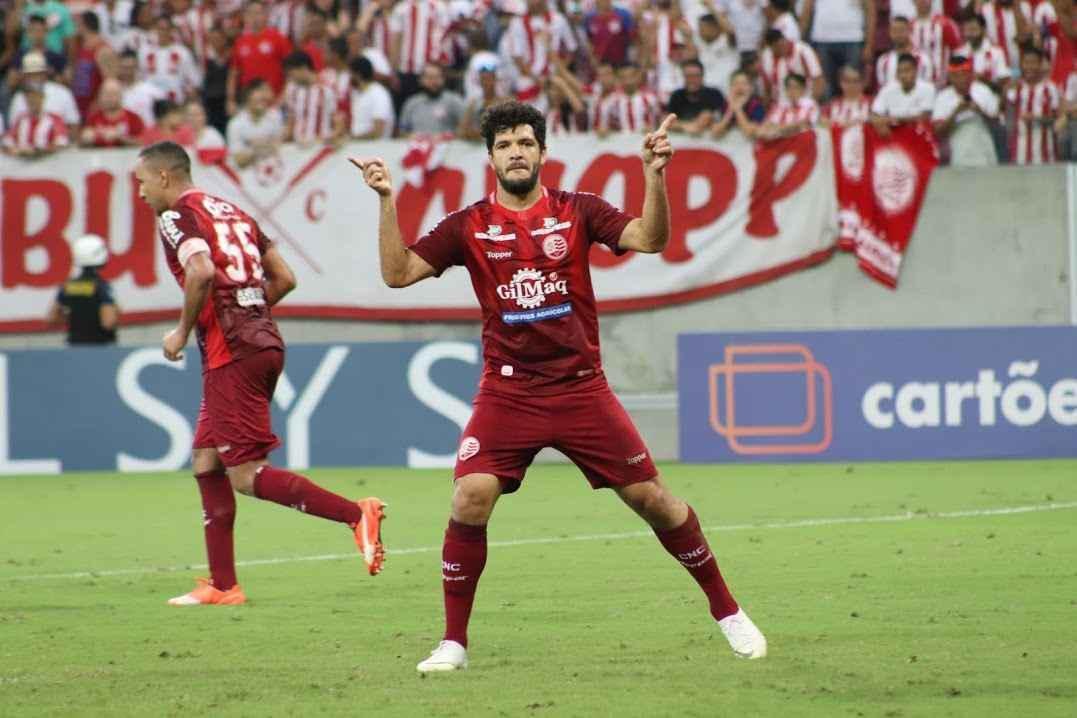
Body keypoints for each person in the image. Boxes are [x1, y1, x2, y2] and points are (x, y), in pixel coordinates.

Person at [352, 101, 768, 673]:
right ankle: (453, 642)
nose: (516, 152)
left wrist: (654, 175)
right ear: (491, 158)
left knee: (653, 500)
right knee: (470, 497)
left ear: (543, 152)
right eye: (504, 145)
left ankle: (728, 611)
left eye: (525, 142)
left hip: (580, 389)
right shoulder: (468, 225)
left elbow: (650, 238)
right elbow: (397, 273)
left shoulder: (578, 210)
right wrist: (385, 200)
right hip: (508, 393)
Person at [132, 141, 387, 606]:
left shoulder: (176, 216)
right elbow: (285, 278)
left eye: (142, 181)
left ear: (164, 177)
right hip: (261, 341)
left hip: (232, 351)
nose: (141, 192)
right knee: (207, 460)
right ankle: (223, 585)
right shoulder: (233, 212)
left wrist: (182, 332)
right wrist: (248, 311)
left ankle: (356, 513)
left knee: (247, 475)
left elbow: (201, 271)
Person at [47, 234, 120, 345]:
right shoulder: (102, 287)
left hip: (74, 346)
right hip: (100, 347)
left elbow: (52, 318)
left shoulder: (68, 286)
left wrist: (75, 317)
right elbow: (108, 322)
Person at [932, 55, 1000, 166]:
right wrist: (956, 112)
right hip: (958, 154)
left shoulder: (983, 91)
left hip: (985, 152)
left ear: (971, 74)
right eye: (956, 76)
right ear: (950, 77)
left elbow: (997, 124)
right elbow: (938, 132)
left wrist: (979, 111)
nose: (961, 79)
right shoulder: (943, 97)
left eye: (964, 74)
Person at [228, 0, 293, 115]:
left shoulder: (278, 38)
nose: (254, 17)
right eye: (250, 13)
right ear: (245, 17)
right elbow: (234, 73)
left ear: (266, 15)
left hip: (274, 103)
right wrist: (230, 100)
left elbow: (291, 72)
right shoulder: (240, 42)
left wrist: (282, 97)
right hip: (249, 104)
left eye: (258, 13)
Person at [798, 0, 875, 95]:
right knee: (826, 87)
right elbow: (807, 8)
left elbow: (870, 10)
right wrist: (800, 40)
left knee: (851, 82)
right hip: (822, 40)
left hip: (853, 38)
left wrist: (869, 44)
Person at [1005, 46, 1063, 165]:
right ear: (1021, 65)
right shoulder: (1015, 89)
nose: (1029, 67)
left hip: (1046, 154)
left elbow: (1057, 119)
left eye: (1033, 63)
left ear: (1041, 65)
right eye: (1026, 63)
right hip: (1019, 154)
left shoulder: (1050, 88)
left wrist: (1037, 118)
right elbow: (1009, 120)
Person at [282, 50, 343, 146]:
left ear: (303, 68)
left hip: (319, 146)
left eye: (292, 74)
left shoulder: (327, 89)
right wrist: (282, 139)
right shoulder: (292, 90)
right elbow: (291, 121)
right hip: (298, 147)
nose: (291, 78)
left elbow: (338, 122)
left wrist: (330, 137)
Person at [871, 52, 936, 134]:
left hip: (920, 134)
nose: (903, 75)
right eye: (900, 71)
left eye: (907, 70)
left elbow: (924, 117)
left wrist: (895, 119)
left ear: (916, 71)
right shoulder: (887, 90)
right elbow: (875, 114)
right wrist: (879, 124)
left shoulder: (928, 88)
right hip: (894, 135)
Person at [227, 79, 284, 168]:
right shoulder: (235, 124)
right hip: (246, 173)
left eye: (264, 100)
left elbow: (280, 146)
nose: (263, 101)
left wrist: (257, 145)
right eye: (259, 99)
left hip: (274, 169)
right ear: (247, 97)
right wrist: (260, 149)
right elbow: (238, 160)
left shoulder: (275, 116)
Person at [3, 80, 70, 156]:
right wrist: (14, 149)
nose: (31, 99)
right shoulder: (21, 119)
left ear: (42, 97)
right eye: (28, 96)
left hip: (47, 160)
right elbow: (7, 140)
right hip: (21, 160)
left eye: (35, 96)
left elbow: (61, 142)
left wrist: (37, 151)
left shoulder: (54, 119)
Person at [397, 63, 466, 137]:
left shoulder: (454, 101)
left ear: (443, 79)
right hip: (417, 143)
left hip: (447, 143)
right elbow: (401, 132)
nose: (433, 81)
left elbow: (466, 128)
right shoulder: (411, 103)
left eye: (437, 77)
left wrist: (449, 136)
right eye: (429, 78)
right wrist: (414, 137)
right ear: (421, 81)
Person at [596, 62, 662, 136]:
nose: (628, 81)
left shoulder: (651, 99)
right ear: (619, 79)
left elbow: (659, 123)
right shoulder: (610, 102)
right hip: (620, 142)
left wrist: (652, 129)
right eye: (624, 77)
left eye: (631, 76)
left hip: (646, 140)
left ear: (638, 76)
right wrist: (605, 131)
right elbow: (603, 128)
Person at [759, 28, 825, 102]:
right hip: (780, 103)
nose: (781, 48)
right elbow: (767, 87)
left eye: (782, 44)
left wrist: (811, 103)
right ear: (771, 47)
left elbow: (818, 80)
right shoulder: (766, 56)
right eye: (777, 47)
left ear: (784, 40)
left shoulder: (802, 51)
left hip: (804, 100)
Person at [667, 58, 726, 135]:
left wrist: (709, 119)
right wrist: (687, 126)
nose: (692, 80)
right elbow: (666, 121)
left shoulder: (714, 94)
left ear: (702, 76)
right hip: (682, 140)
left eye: (696, 76)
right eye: (688, 76)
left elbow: (722, 120)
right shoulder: (676, 95)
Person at [81, 77, 144, 146]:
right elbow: (80, 143)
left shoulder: (134, 118)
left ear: (121, 96)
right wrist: (86, 139)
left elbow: (142, 143)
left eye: (113, 94)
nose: (109, 97)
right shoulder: (93, 118)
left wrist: (120, 138)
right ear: (99, 96)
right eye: (106, 94)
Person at [875, 16, 935, 89]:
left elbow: (928, 86)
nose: (898, 34)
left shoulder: (923, 59)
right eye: (894, 30)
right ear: (890, 33)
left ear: (909, 31)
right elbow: (882, 89)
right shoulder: (883, 61)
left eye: (901, 30)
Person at [757, 71, 820, 138]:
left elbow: (802, 125)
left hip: (801, 139)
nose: (792, 91)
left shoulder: (810, 104)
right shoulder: (779, 106)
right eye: (789, 87)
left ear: (803, 89)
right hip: (781, 139)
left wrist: (778, 129)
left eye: (795, 87)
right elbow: (767, 124)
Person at [711, 66, 767, 138]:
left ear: (751, 88)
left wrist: (738, 109)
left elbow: (749, 132)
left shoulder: (756, 106)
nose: (740, 87)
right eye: (736, 84)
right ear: (730, 88)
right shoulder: (725, 104)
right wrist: (730, 110)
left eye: (744, 83)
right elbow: (715, 132)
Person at [349, 55, 396, 139]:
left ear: (358, 75)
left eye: (351, 74)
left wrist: (352, 139)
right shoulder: (357, 94)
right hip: (357, 144)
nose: (349, 78)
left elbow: (378, 132)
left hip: (375, 146)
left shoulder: (378, 94)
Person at [692, 12, 738, 95]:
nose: (700, 32)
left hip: (726, 92)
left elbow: (730, 31)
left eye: (703, 28)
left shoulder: (726, 42)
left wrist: (711, 6)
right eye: (699, 28)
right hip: (705, 93)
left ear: (715, 28)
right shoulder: (699, 43)